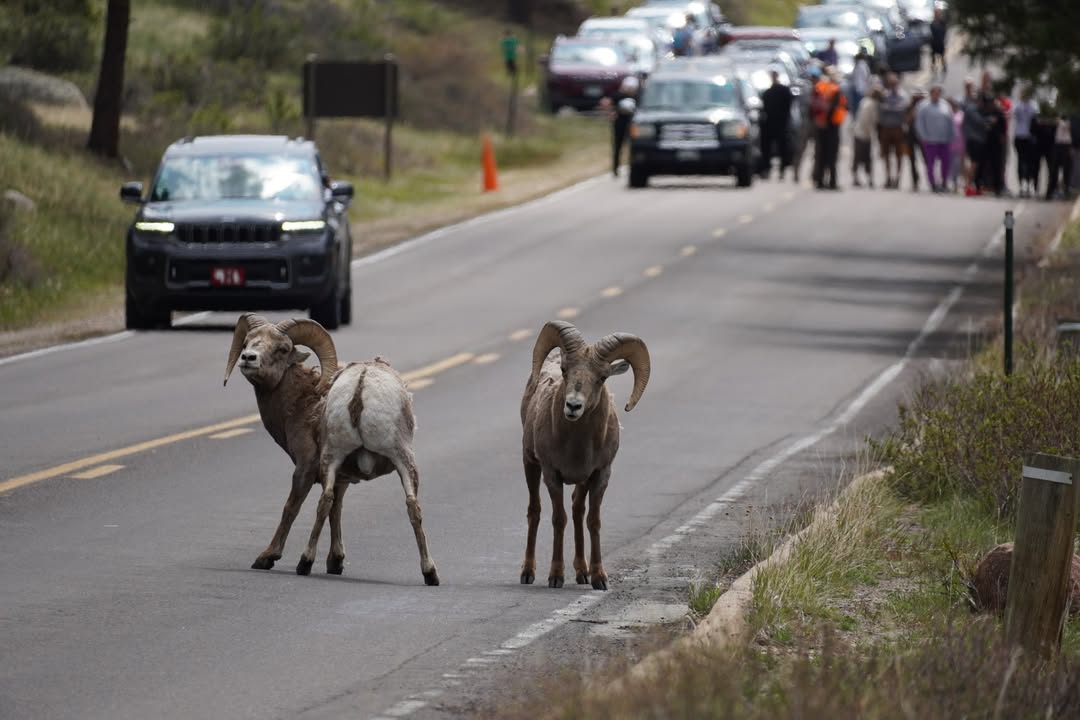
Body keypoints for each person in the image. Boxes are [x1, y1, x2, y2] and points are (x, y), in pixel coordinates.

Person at [810, 66, 847, 190]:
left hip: (821, 126)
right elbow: (835, 108)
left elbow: (812, 107)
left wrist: (818, 122)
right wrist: (827, 121)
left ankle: (820, 181)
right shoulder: (834, 89)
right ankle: (832, 182)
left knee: (821, 154)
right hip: (831, 126)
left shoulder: (819, 88)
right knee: (832, 155)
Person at [915, 84, 954, 192]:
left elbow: (951, 121)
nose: (936, 95)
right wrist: (923, 136)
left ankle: (944, 183)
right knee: (930, 163)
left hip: (944, 139)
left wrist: (951, 135)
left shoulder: (945, 105)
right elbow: (919, 122)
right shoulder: (923, 106)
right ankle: (933, 184)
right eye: (934, 92)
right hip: (930, 140)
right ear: (931, 93)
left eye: (938, 93)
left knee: (946, 162)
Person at [760, 69, 794, 179]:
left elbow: (788, 107)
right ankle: (767, 169)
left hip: (781, 123)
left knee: (783, 148)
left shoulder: (784, 91)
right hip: (769, 124)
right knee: (766, 148)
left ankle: (782, 170)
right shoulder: (767, 92)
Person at [877, 72, 909, 189]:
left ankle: (898, 178)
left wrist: (890, 108)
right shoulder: (885, 95)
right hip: (886, 128)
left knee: (899, 155)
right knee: (886, 155)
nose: (893, 86)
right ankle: (888, 177)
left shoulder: (903, 95)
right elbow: (881, 111)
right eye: (891, 84)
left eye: (894, 83)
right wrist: (892, 109)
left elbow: (902, 109)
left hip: (898, 128)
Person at [606, 75, 639, 177]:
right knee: (617, 147)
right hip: (619, 124)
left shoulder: (638, 97)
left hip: (634, 125)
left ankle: (634, 168)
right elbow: (606, 102)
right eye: (628, 87)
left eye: (632, 88)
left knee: (635, 147)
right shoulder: (617, 96)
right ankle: (615, 169)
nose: (630, 90)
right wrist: (611, 113)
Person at [1011, 86, 1040, 197]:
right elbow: (1014, 113)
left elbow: (1036, 115)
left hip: (1029, 136)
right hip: (1019, 136)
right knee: (1021, 160)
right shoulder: (1017, 105)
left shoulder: (1033, 105)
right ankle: (1022, 183)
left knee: (1030, 161)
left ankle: (1029, 182)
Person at [851, 85, 881, 187]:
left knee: (860, 157)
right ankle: (866, 179)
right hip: (863, 134)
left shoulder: (865, 101)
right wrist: (870, 133)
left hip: (859, 133)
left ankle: (863, 178)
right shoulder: (871, 104)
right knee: (863, 157)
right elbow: (867, 120)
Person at [981, 93, 1007, 196]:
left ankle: (998, 187)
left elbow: (1003, 129)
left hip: (996, 143)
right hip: (985, 142)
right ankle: (984, 186)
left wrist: (1003, 139)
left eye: (991, 102)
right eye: (987, 102)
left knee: (997, 165)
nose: (989, 104)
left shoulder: (999, 113)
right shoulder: (983, 113)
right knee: (985, 165)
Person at [1046, 112, 1075, 200]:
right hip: (1057, 145)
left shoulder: (1070, 121)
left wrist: (1073, 146)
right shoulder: (1056, 122)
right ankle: (1050, 192)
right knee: (1054, 170)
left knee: (1067, 171)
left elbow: (1074, 132)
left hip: (1067, 145)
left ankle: (1066, 192)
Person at [905, 87, 927, 191]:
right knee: (912, 159)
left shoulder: (925, 107)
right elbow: (906, 121)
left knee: (926, 159)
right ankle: (914, 180)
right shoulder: (909, 107)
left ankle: (929, 179)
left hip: (922, 136)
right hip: (911, 136)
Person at [947, 96, 965, 192]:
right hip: (948, 142)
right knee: (949, 163)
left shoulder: (961, 114)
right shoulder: (947, 113)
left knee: (957, 164)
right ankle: (949, 181)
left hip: (959, 142)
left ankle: (956, 181)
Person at [850, 47, 872, 117]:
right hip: (858, 89)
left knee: (859, 108)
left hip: (860, 90)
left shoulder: (862, 65)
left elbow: (866, 78)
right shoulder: (860, 65)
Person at [929, 9, 947, 76]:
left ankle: (944, 68)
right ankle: (934, 70)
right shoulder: (932, 23)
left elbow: (944, 32)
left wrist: (944, 41)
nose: (937, 15)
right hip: (934, 42)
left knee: (942, 56)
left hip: (940, 42)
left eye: (938, 13)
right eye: (936, 13)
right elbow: (931, 32)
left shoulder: (942, 22)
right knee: (933, 57)